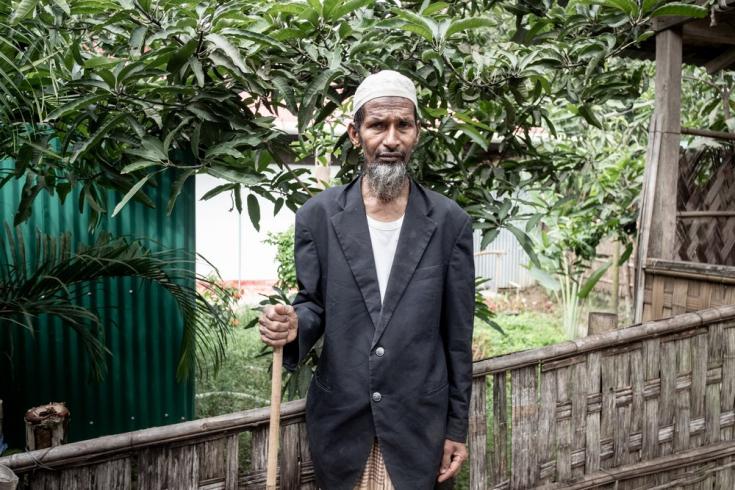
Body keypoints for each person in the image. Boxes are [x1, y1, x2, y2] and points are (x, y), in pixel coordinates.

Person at [258, 70, 475, 490]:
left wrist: (456, 427)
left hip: (419, 424)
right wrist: (293, 324)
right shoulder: (318, 216)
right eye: (377, 125)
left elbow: (457, 337)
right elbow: (313, 303)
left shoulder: (450, 222)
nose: (391, 139)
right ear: (355, 134)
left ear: (417, 133)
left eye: (403, 126)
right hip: (343, 419)